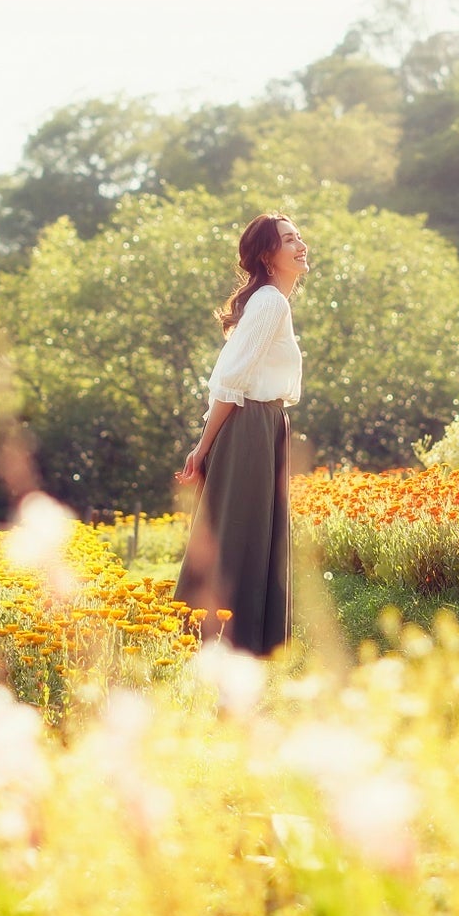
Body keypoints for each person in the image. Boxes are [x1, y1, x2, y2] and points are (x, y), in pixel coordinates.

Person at [174, 213, 309, 655]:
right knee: (238, 531)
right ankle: (220, 641)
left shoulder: (272, 302)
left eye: (299, 237)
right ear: (268, 255)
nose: (300, 246)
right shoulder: (270, 303)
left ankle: (240, 642)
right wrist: (202, 447)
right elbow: (231, 382)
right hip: (249, 426)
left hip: (263, 425)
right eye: (288, 240)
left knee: (248, 531)